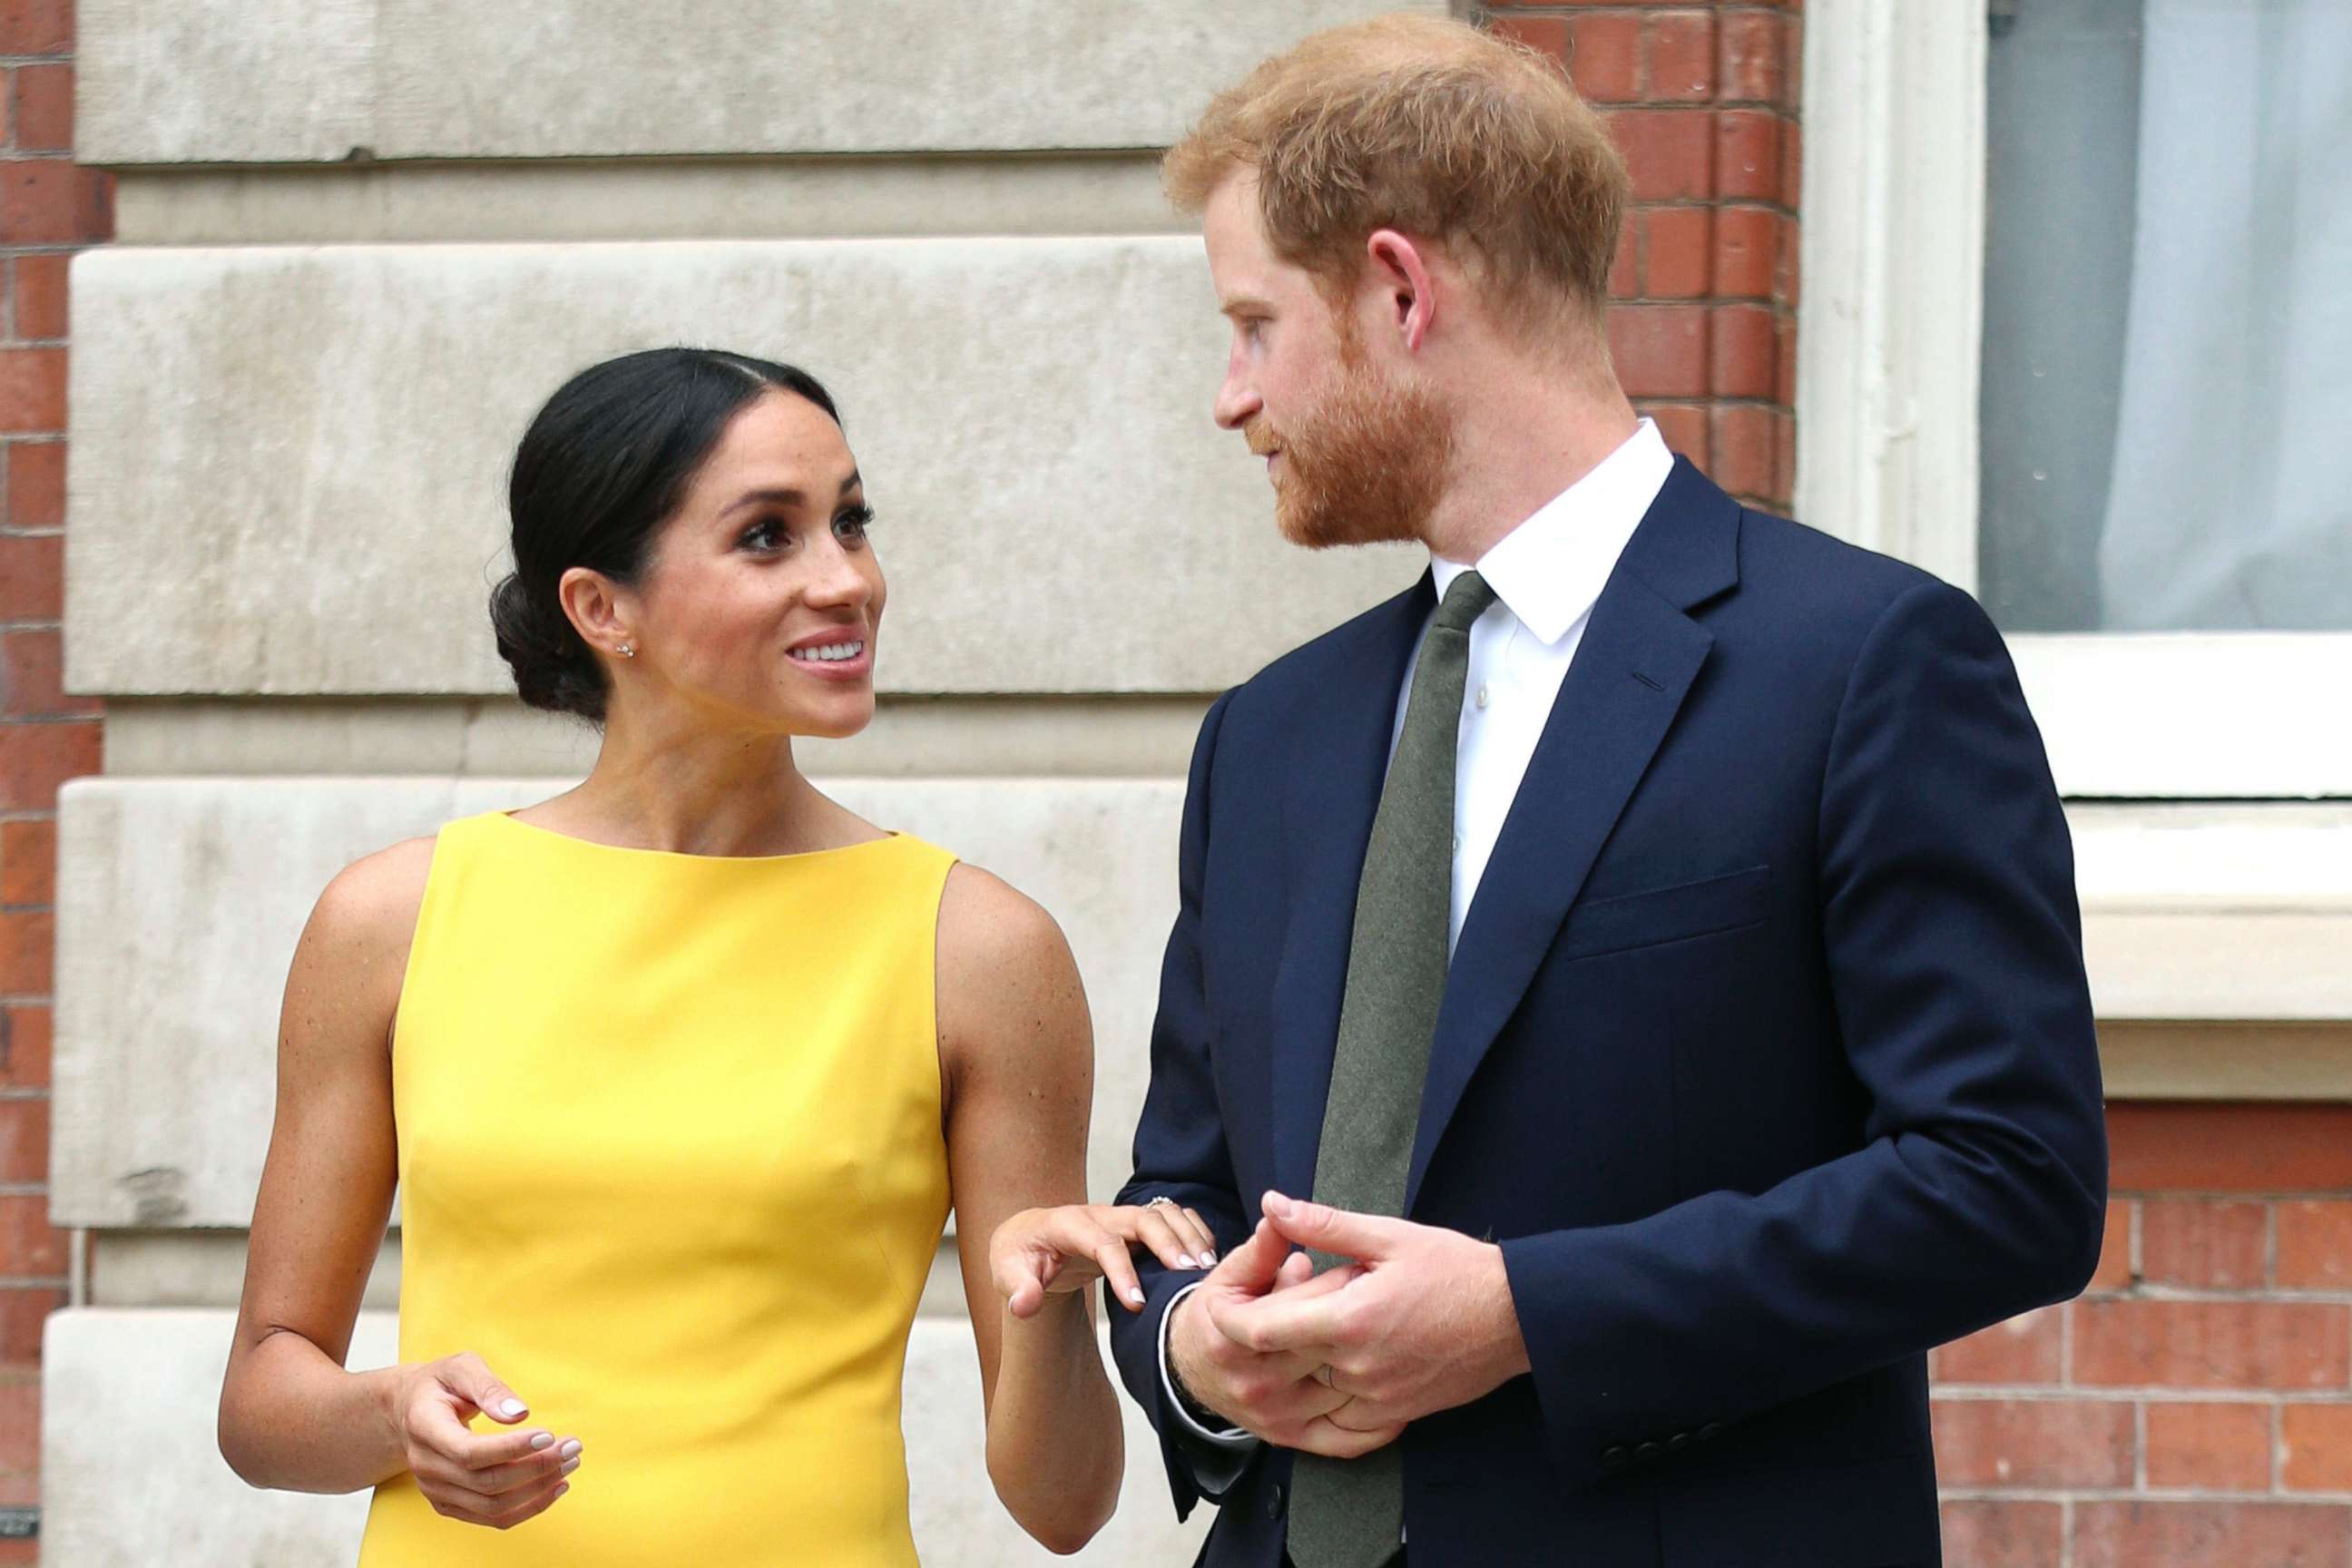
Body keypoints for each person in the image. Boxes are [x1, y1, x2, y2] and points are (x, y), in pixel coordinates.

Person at [1095, 17, 2108, 1567]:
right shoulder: (1267, 739)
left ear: (1399, 289)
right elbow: (1179, 1196)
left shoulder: (1864, 664)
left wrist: (1527, 1315)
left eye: (1253, 325)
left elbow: (2007, 1181)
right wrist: (1191, 1356)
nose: (1234, 399)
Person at [215, 348, 1225, 1564]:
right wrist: (394, 1416)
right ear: (602, 608)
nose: (846, 579)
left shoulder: (979, 948)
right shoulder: (391, 922)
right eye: (768, 537)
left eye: (851, 524)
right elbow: (264, 1401)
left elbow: (1061, 1509)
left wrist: (1053, 1305)